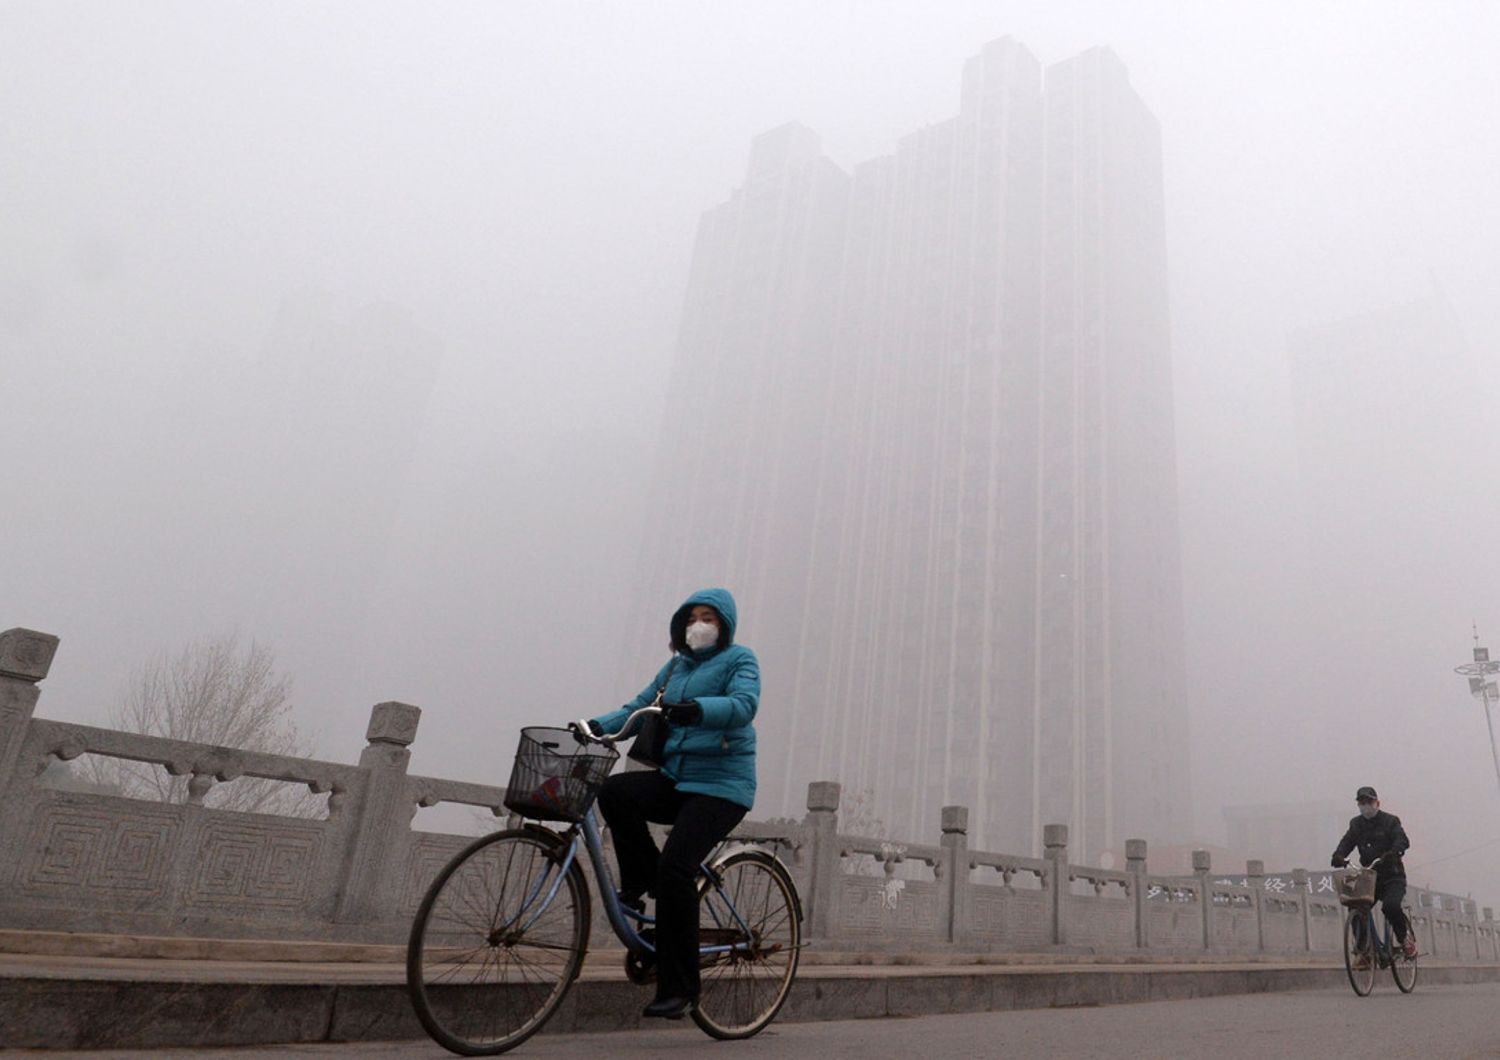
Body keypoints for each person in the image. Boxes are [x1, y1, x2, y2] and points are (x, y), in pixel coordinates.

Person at [577, 587, 759, 1020]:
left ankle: (681, 987)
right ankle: (641, 885)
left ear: (724, 625)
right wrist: (595, 725)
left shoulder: (740, 660)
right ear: (681, 625)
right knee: (615, 792)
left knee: (677, 867)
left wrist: (697, 709)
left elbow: (744, 704)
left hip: (722, 786)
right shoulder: (675, 667)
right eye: (693, 617)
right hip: (679, 779)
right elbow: (641, 706)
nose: (700, 625)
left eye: (709, 617)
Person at [1331, 785, 1417, 962]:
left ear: (1377, 802)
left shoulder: (1390, 821)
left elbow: (1402, 840)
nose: (1365, 806)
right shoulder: (1356, 824)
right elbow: (1347, 842)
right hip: (1370, 877)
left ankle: (1405, 939)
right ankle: (1364, 952)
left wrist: (1393, 852)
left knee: (1390, 907)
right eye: (1361, 803)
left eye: (1368, 802)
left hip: (1393, 875)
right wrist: (1339, 856)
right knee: (1357, 908)